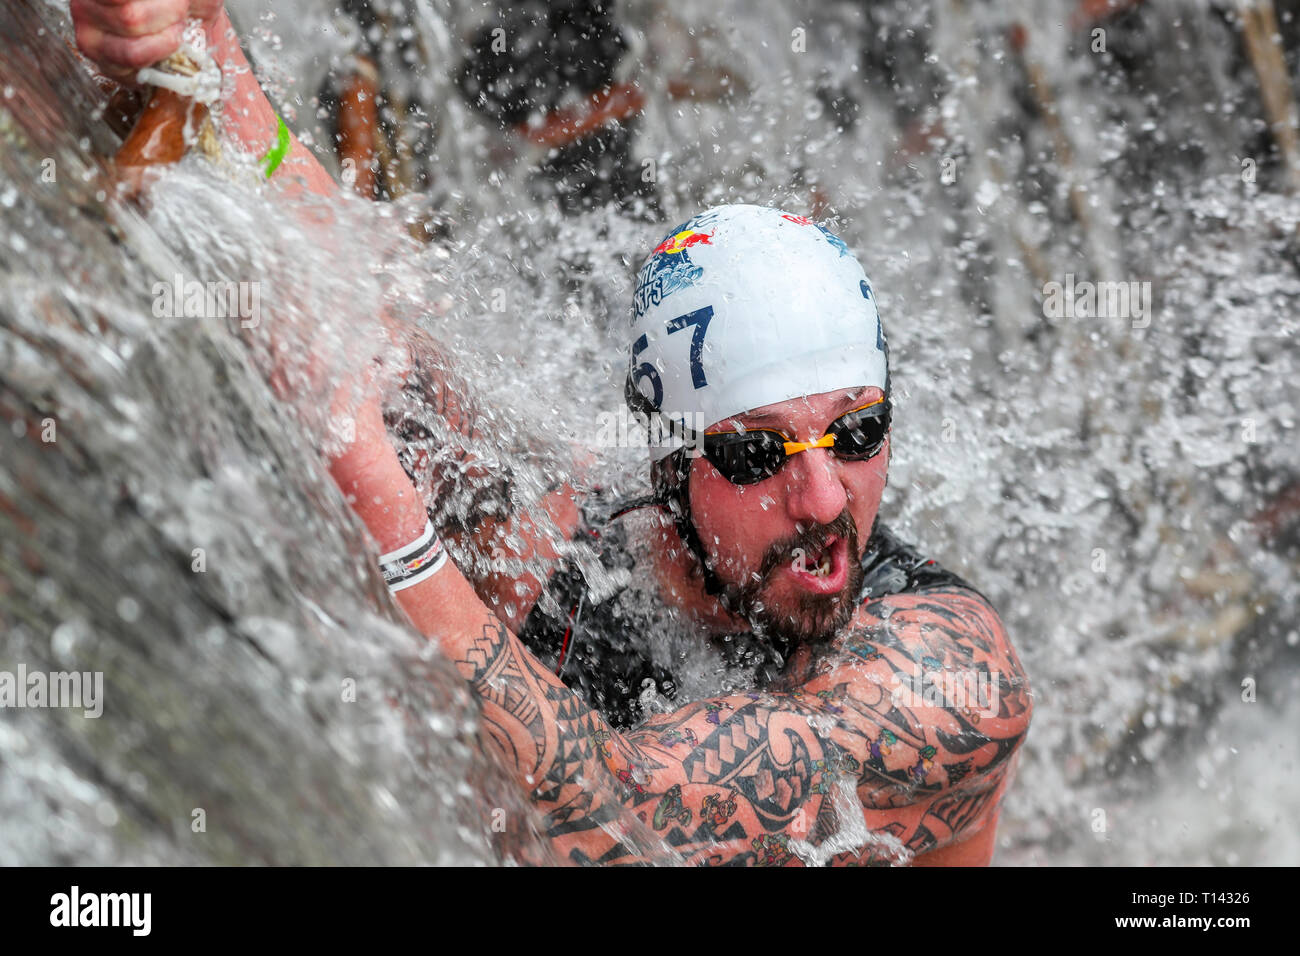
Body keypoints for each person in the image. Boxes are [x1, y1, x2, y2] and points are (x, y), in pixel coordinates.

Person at [74, 1, 1033, 865]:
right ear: (669, 456)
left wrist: (365, 477)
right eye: (755, 452)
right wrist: (202, 47)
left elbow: (598, 821)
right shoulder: (577, 539)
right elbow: (361, 316)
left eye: (858, 434)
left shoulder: (945, 677)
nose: (825, 501)